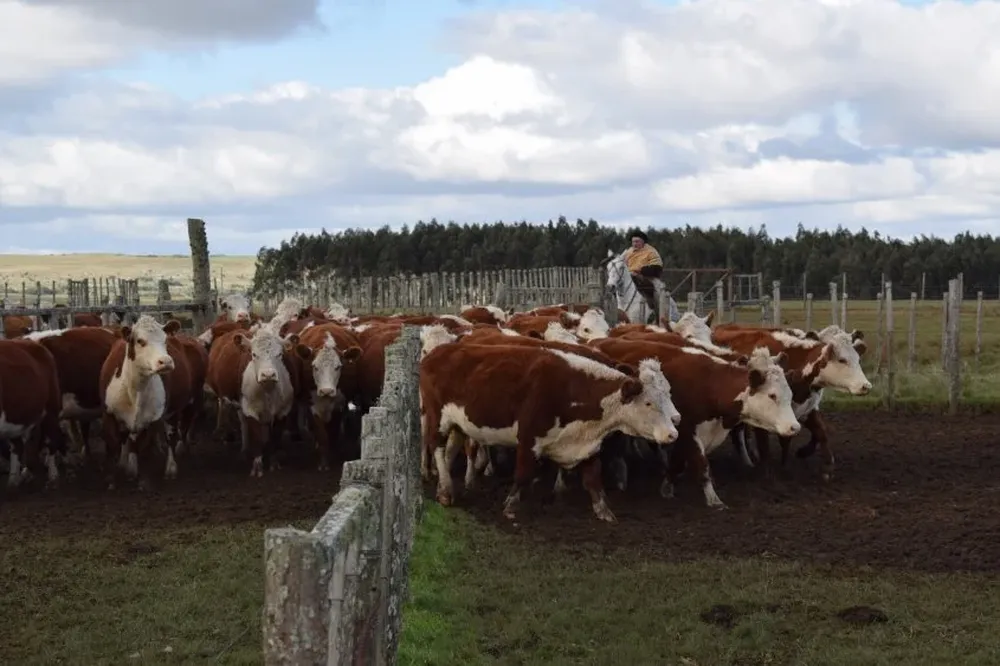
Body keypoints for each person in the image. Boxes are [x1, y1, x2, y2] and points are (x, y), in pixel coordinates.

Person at [621, 229, 664, 314]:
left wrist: (641, 271)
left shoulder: (651, 251)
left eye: (637, 241)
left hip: (647, 277)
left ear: (643, 242)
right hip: (629, 276)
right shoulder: (628, 252)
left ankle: (656, 311)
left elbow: (657, 268)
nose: (634, 244)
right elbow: (621, 264)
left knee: (657, 292)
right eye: (633, 242)